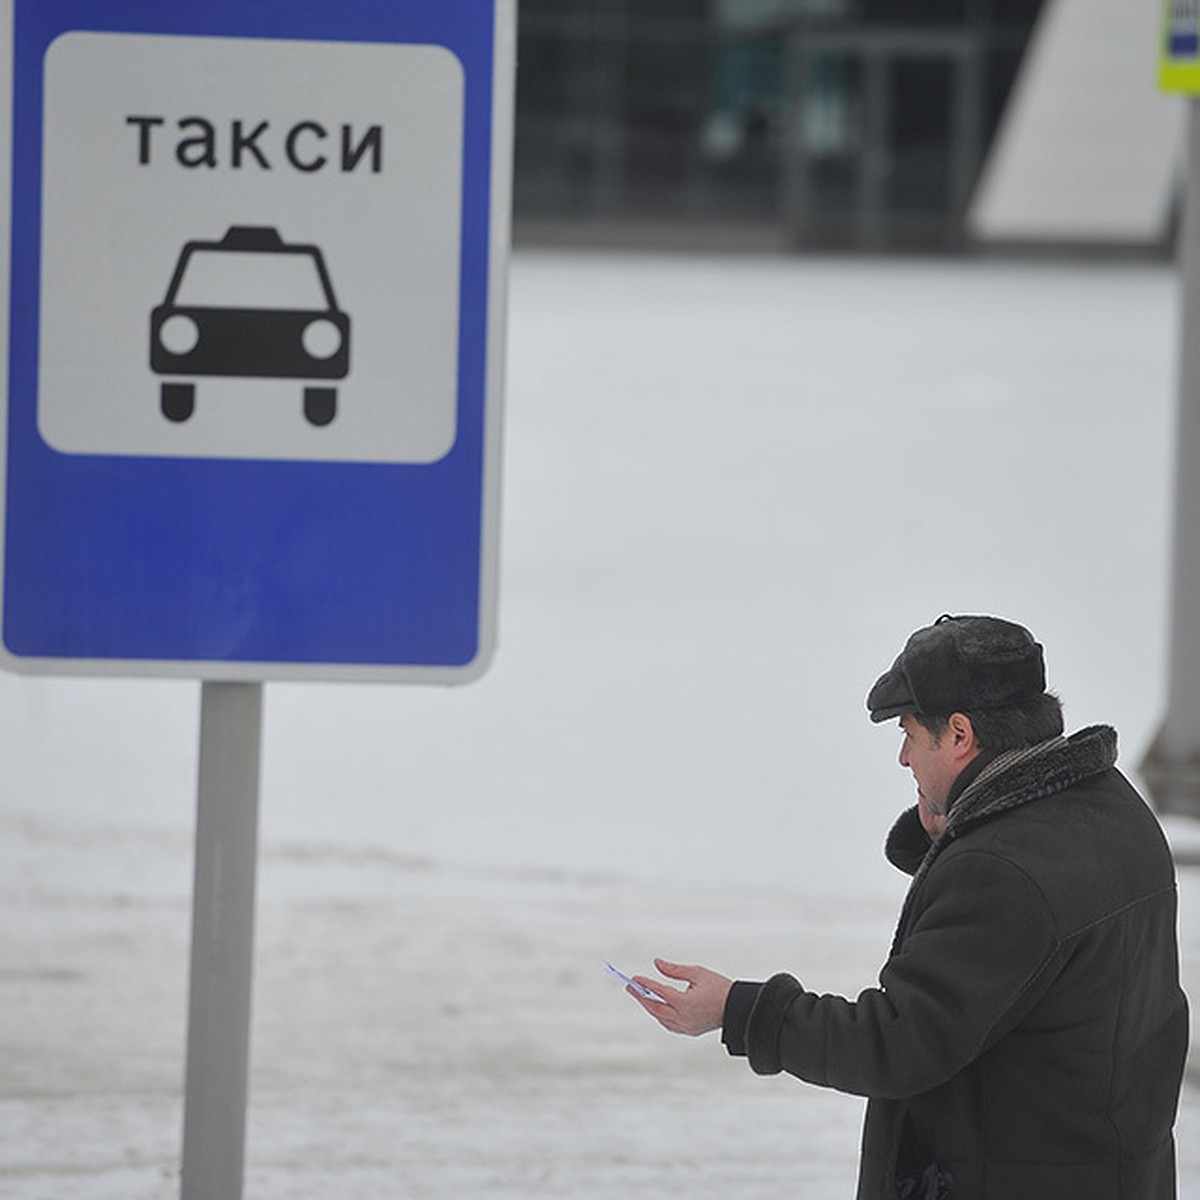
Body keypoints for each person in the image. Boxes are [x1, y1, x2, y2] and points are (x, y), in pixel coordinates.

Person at [629, 614, 1190, 1200]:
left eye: (909, 733)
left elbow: (896, 1044)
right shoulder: (1113, 811)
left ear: (958, 734)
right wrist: (954, 827)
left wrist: (737, 1010)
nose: (902, 757)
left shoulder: (1001, 874)